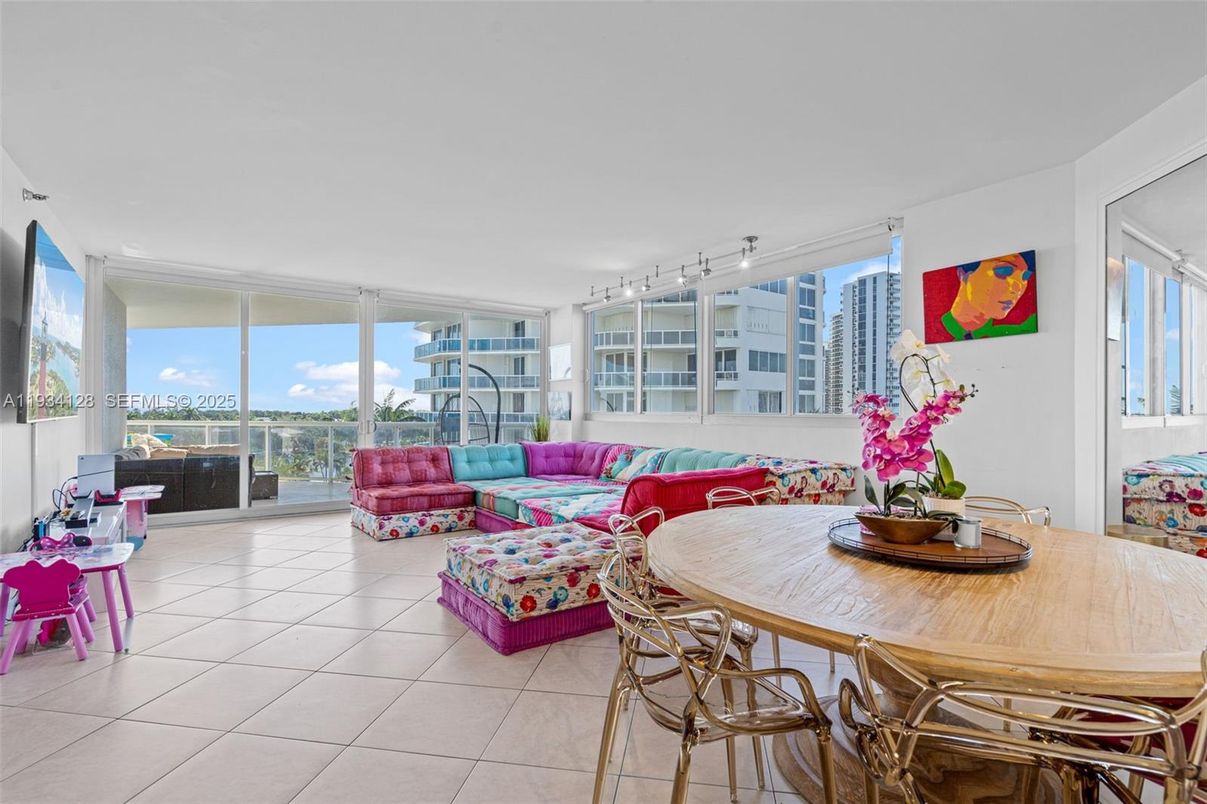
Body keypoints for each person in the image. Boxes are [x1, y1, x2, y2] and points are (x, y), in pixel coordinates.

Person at [941, 251, 1036, 340]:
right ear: (962, 274)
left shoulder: (1019, 332)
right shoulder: (933, 331)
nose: (1017, 288)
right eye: (1004, 271)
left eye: (1025, 277)